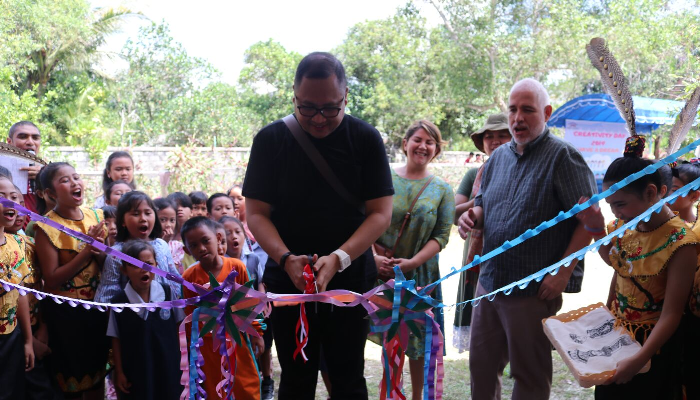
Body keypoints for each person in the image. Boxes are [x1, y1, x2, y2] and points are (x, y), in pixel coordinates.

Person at [243, 52, 394, 399]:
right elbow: (256, 214)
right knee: (296, 378)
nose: (319, 119)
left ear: (345, 98)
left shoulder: (365, 139)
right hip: (289, 280)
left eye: (330, 108)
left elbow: (380, 213)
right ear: (294, 96)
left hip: (350, 279)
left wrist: (340, 257)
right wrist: (285, 259)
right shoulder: (270, 141)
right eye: (307, 107)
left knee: (347, 377)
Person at [458, 78, 596, 400]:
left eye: (527, 110)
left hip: (532, 291)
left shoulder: (564, 157)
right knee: (481, 368)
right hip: (489, 284)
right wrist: (474, 215)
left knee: (529, 376)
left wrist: (563, 272)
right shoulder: (497, 158)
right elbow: (483, 202)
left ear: (546, 112)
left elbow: (588, 222)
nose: (518, 118)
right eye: (513, 109)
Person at [577, 136, 698, 398]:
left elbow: (672, 314)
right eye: (610, 205)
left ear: (652, 193)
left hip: (654, 347)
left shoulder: (682, 243)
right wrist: (597, 230)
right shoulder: (624, 228)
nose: (615, 213)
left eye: (620, 204)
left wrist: (638, 360)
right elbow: (618, 266)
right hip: (617, 338)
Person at [373, 120, 454, 398]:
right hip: (382, 273)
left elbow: (442, 235)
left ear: (436, 150)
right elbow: (367, 218)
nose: (423, 146)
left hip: (421, 276)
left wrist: (413, 262)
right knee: (389, 339)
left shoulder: (442, 189)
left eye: (430, 142)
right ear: (405, 143)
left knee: (419, 344)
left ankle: (418, 396)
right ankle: (391, 392)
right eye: (417, 139)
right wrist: (373, 256)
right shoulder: (384, 178)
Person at [33, 162, 109, 399]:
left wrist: (101, 253)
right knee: (71, 379)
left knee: (97, 374)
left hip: (98, 307)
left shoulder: (96, 215)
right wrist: (86, 251)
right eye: (65, 180)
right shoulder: (45, 226)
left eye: (76, 177)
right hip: (66, 313)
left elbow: (108, 263)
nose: (75, 183)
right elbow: (52, 279)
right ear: (50, 194)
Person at [181, 217, 263, 400]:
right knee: (213, 387)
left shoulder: (237, 267)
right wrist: (190, 351)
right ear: (187, 250)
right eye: (193, 245)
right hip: (207, 346)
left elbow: (249, 303)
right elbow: (189, 317)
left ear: (218, 238)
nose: (201, 248)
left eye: (205, 240)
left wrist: (256, 334)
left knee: (246, 384)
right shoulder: (188, 278)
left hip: (237, 339)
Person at [452, 113, 511, 353]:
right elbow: (453, 213)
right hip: (475, 256)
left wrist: (481, 204)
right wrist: (482, 203)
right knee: (480, 327)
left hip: (506, 254)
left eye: (501, 135)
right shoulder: (472, 174)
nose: (495, 141)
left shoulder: (519, 170)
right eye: (489, 136)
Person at [108, 239, 184, 400]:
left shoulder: (167, 293)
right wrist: (119, 372)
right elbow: (116, 339)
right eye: (135, 265)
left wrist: (183, 361)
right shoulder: (118, 302)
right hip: (136, 369)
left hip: (168, 364)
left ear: (156, 265)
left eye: (148, 264)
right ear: (124, 270)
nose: (144, 270)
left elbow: (179, 327)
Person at [94, 191, 181, 303]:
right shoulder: (116, 254)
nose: (143, 218)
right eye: (135, 214)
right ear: (123, 221)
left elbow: (173, 278)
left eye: (148, 213)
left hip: (164, 313)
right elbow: (107, 294)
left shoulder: (162, 245)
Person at [0, 175, 35, 399]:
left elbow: (21, 294)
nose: (10, 202)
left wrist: (28, 340)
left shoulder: (16, 244)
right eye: (1, 197)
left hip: (11, 336)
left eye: (14, 197)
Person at [7, 121, 42, 213]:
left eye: (35, 138)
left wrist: (45, 178)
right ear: (9, 142)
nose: (30, 142)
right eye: (23, 137)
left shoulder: (51, 173)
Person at [154, 197, 186, 273]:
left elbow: (171, 271)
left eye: (172, 220)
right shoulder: (146, 243)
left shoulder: (177, 246)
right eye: (163, 220)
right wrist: (162, 243)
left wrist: (165, 244)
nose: (168, 225)